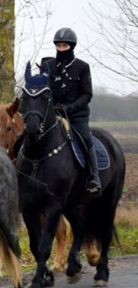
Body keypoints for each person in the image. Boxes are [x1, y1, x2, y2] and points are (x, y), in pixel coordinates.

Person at [42, 27, 100, 194]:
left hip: (76, 116)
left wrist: (70, 108)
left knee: (86, 141)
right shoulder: (48, 66)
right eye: (58, 46)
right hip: (52, 116)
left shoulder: (82, 67)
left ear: (71, 47)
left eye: (64, 46)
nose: (61, 49)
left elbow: (87, 94)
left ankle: (93, 176)